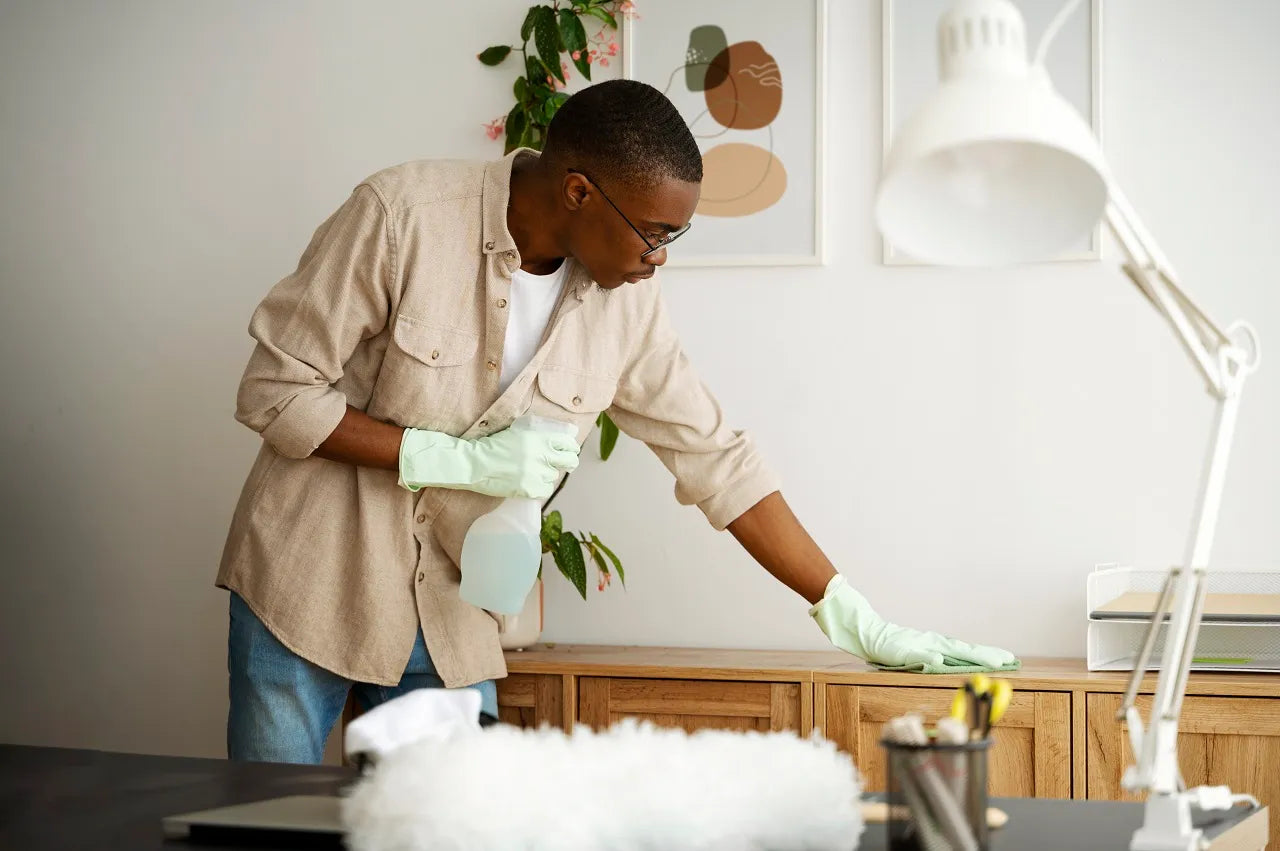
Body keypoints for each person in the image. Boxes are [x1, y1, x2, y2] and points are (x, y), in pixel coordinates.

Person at [218, 79, 1013, 764]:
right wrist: (451, 460)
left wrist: (852, 614)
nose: (661, 256)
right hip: (309, 586)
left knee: (445, 828)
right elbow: (276, 391)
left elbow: (717, 457)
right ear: (578, 192)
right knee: (264, 826)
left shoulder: (626, 308)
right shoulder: (402, 216)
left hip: (449, 615)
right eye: (655, 231)